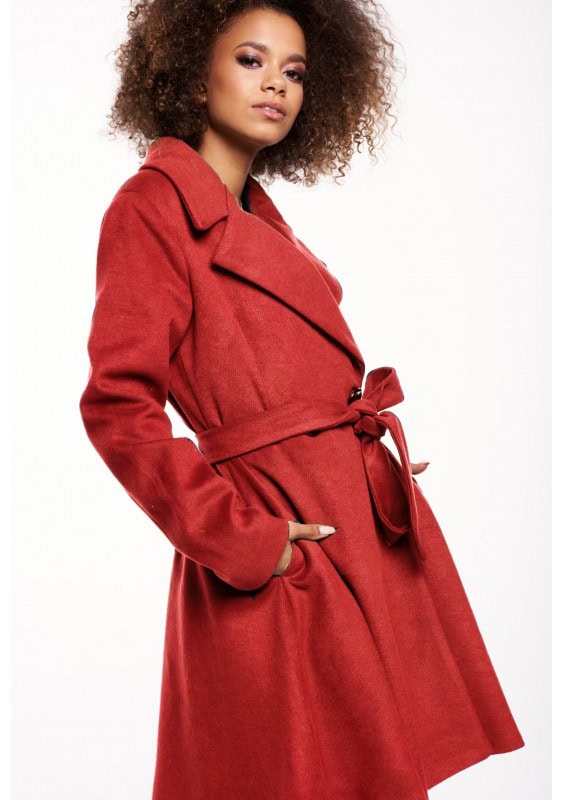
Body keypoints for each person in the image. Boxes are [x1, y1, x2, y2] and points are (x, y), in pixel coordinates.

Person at [79, 1, 525, 798]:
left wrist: (349, 455)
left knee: (365, 767)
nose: (277, 86)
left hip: (346, 523)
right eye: (251, 61)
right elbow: (118, 408)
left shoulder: (260, 216)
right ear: (191, 74)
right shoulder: (151, 208)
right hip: (275, 539)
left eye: (294, 71)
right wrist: (249, 541)